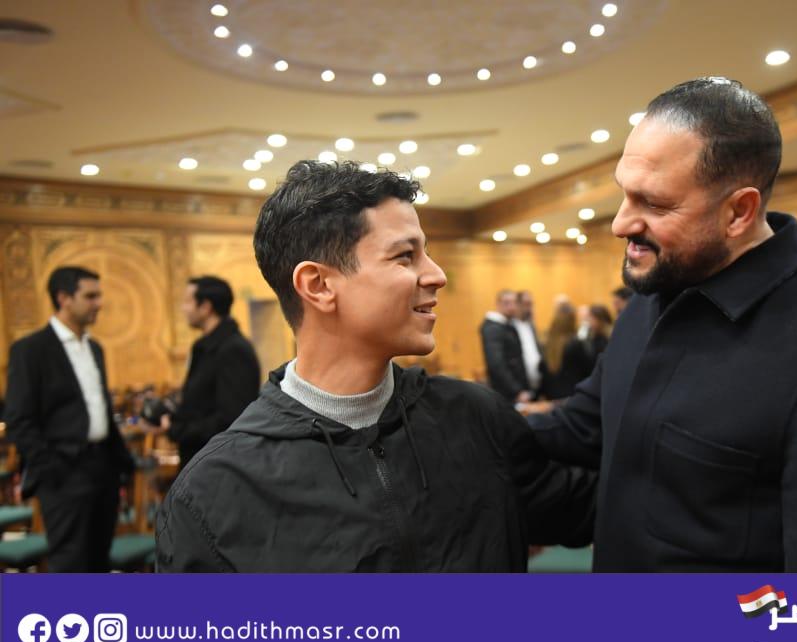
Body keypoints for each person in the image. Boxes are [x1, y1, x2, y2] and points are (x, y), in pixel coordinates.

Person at [528, 77, 797, 573]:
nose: (621, 224)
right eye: (624, 195)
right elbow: (582, 429)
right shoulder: (653, 295)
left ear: (739, 211)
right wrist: (448, 419)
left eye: (655, 204)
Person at [155, 161, 594, 573]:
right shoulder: (214, 490)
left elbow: (595, 507)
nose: (437, 275)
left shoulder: (475, 419)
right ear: (318, 285)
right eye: (405, 256)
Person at [4, 266, 135, 572]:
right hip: (63, 473)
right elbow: (19, 419)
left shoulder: (95, 348)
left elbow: (98, 410)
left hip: (103, 468)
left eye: (98, 296)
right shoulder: (31, 350)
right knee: (71, 564)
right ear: (63, 298)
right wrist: (51, 470)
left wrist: (121, 464)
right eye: (90, 296)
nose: (99, 303)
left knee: (99, 561)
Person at [161, 275, 261, 468]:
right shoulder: (203, 346)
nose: (183, 308)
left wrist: (177, 430)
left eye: (187, 302)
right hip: (200, 459)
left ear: (206, 307)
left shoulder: (234, 349)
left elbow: (232, 418)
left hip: (218, 464)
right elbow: (199, 404)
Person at [479, 290, 533, 403]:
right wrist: (516, 391)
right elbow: (496, 364)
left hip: (518, 391)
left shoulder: (508, 325)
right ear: (498, 304)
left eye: (514, 303)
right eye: (506, 303)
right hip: (507, 394)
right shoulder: (493, 328)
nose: (511, 307)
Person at [513, 290, 544, 398]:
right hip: (520, 386)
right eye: (526, 304)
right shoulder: (510, 327)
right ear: (517, 305)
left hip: (537, 382)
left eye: (531, 304)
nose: (529, 308)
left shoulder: (531, 324)